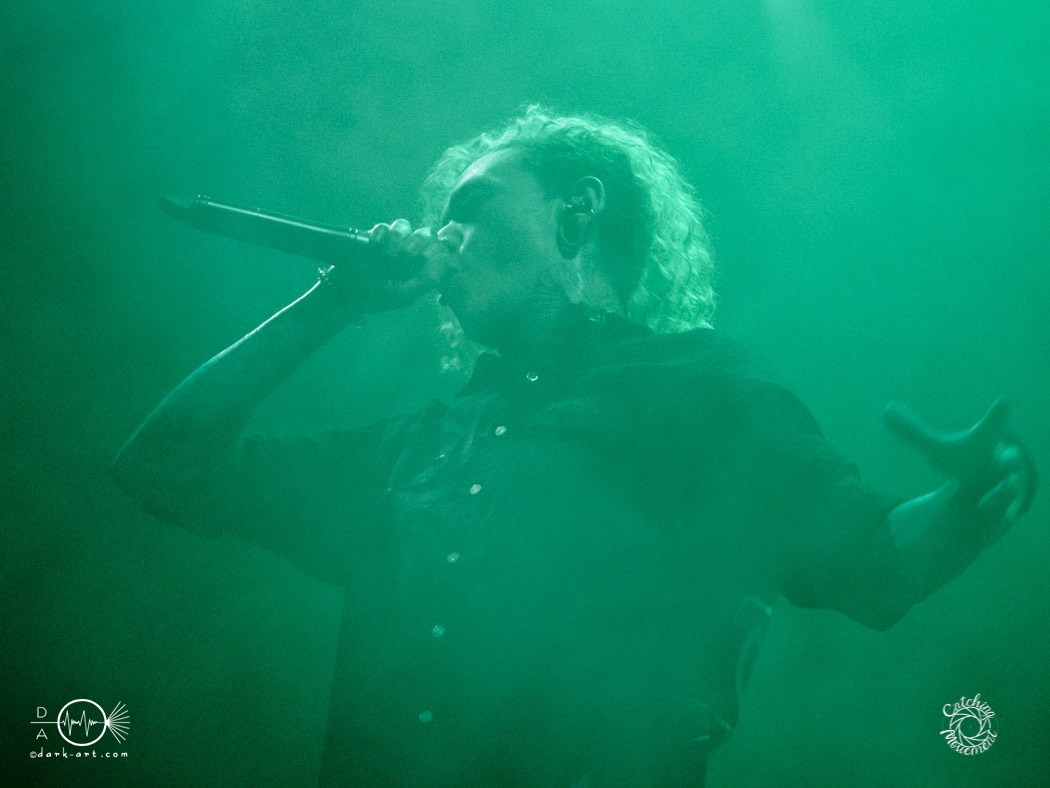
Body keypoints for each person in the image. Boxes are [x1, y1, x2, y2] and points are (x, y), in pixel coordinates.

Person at [112, 106, 1036, 786]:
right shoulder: (416, 448)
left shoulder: (702, 391)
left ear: (577, 211)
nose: (443, 236)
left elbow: (875, 560)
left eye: (473, 205)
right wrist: (333, 302)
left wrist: (986, 487)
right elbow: (164, 467)